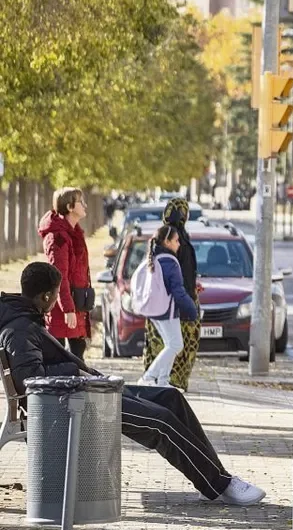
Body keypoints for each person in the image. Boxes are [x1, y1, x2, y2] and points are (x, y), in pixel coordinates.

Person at [0, 262, 265, 505]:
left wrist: (86, 375)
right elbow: (29, 382)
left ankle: (212, 475)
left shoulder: (26, 318)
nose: (58, 300)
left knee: (171, 398)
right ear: (46, 296)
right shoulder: (20, 329)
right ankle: (220, 484)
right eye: (57, 294)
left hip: (88, 389)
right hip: (75, 404)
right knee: (160, 422)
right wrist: (77, 372)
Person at [143, 198, 201, 391]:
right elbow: (177, 285)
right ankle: (151, 378)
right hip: (173, 306)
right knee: (176, 345)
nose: (177, 243)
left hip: (162, 306)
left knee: (170, 344)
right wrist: (191, 307)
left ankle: (162, 382)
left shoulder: (159, 245)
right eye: (174, 241)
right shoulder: (172, 251)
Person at [38, 186, 91, 360]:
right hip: (61, 306)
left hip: (77, 302)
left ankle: (78, 387)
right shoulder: (57, 237)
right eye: (80, 202)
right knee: (58, 357)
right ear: (69, 207)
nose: (84, 205)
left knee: (78, 352)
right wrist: (68, 308)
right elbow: (58, 276)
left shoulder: (75, 233)